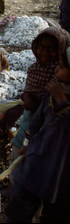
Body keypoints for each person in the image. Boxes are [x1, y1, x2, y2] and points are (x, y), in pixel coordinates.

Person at [4, 47, 70, 223]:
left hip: (63, 168)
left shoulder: (59, 94)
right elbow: (37, 121)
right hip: (39, 158)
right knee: (20, 204)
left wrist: (62, 102)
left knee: (55, 212)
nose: (57, 69)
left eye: (63, 67)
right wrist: (27, 144)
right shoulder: (53, 91)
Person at [8, 27, 70, 177]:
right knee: (18, 153)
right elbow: (28, 91)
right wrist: (27, 97)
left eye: (51, 49)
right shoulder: (34, 69)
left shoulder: (62, 76)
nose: (45, 53)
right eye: (42, 47)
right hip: (31, 121)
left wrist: (53, 100)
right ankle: (15, 186)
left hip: (49, 128)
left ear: (62, 50)